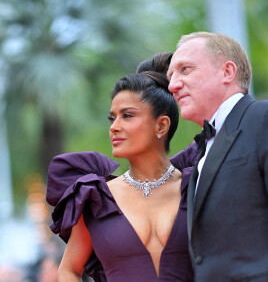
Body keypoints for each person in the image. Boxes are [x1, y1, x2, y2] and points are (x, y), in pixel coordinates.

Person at [46, 52, 195, 281]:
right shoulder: (96, 197)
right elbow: (69, 270)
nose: (114, 127)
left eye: (127, 116)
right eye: (112, 118)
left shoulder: (197, 185)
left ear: (162, 125)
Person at [167, 31, 268, 281]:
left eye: (185, 69)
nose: (172, 85)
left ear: (227, 72)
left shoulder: (263, 118)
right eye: (170, 76)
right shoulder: (201, 150)